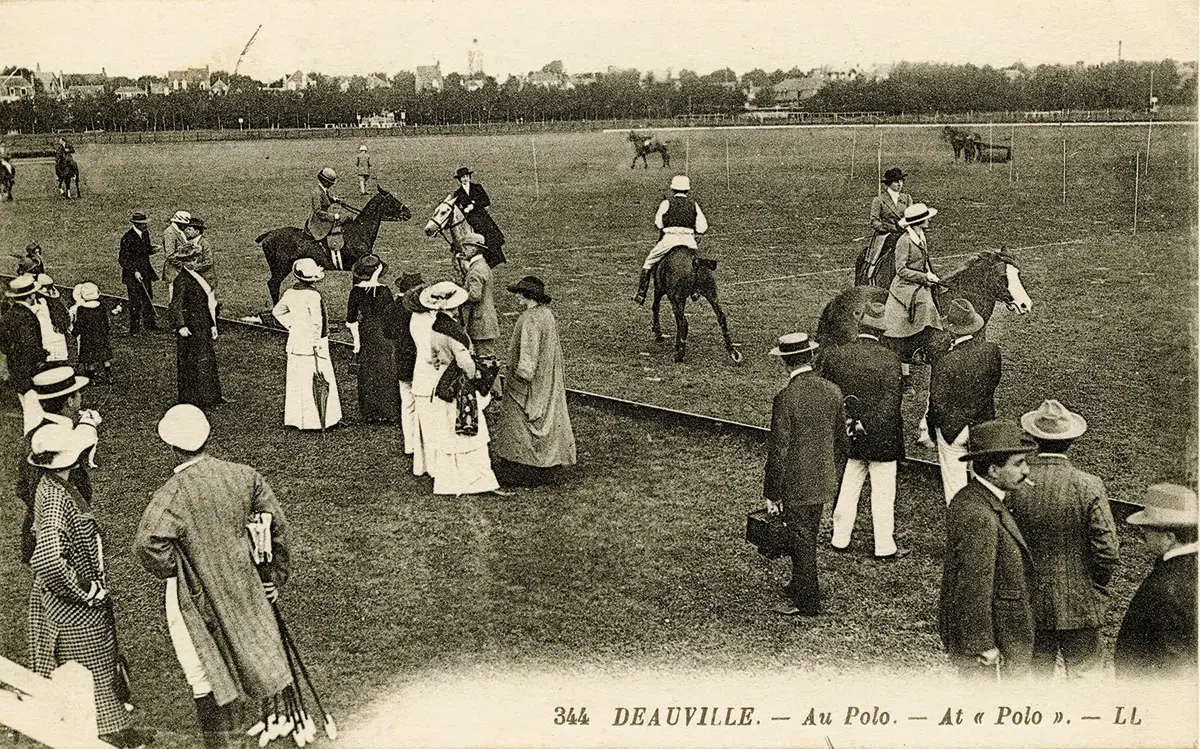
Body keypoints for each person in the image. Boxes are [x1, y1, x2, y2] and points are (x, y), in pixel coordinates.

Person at [135, 404, 294, 747]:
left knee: (203, 666)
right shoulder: (244, 475)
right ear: (206, 437)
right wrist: (273, 576)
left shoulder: (172, 493)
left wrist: (181, 567)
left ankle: (222, 742)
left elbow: (147, 544)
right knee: (253, 649)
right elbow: (275, 526)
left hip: (195, 594)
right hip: (246, 583)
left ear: (172, 446)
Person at [27, 421, 147, 748]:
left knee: (98, 663)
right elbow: (49, 559)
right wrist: (86, 590)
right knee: (89, 665)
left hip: (70, 602)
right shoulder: (56, 498)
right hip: (72, 607)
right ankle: (106, 733)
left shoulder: (52, 485)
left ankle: (111, 726)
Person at [1006, 400, 1120, 679]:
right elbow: (1107, 550)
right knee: (1085, 681)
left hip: (1029, 602)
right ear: (1071, 441)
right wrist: (1092, 583)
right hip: (1080, 603)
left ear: (1033, 439)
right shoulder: (1088, 485)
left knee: (1035, 682)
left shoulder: (1016, 483)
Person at [938, 420, 1036, 680]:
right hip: (993, 644)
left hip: (1001, 634)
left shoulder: (983, 499)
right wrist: (982, 643)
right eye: (1018, 464)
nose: (1026, 471)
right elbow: (973, 583)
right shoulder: (979, 513)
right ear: (993, 470)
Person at [763, 332, 848, 616]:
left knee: (801, 538)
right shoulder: (832, 390)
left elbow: (779, 450)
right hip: (822, 478)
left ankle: (807, 601)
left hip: (796, 483)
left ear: (785, 362)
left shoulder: (785, 398)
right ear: (810, 356)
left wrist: (772, 492)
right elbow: (841, 442)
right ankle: (799, 584)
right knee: (807, 534)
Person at [822, 302, 907, 560]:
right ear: (880, 331)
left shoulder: (837, 355)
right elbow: (892, 403)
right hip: (882, 436)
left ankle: (839, 538)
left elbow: (830, 394)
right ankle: (884, 546)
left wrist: (849, 422)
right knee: (883, 492)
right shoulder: (890, 359)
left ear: (859, 326)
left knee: (849, 484)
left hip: (848, 431)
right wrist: (866, 424)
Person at [410, 281, 504, 496]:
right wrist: (478, 378)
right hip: (460, 387)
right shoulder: (453, 332)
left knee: (449, 432)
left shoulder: (435, 327)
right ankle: (476, 481)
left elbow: (434, 358)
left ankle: (451, 481)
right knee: (469, 433)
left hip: (443, 383)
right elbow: (465, 363)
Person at [492, 276, 576, 487]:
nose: (517, 297)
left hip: (529, 382)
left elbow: (528, 358)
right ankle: (546, 462)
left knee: (520, 421)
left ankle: (523, 467)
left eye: (520, 293)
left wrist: (520, 376)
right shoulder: (547, 314)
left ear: (527, 295)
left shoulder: (530, 319)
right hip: (546, 378)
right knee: (547, 416)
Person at [15, 366, 101, 566]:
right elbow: (82, 439)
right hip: (57, 525)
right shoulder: (50, 435)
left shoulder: (48, 426)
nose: (80, 397)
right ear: (69, 401)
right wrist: (89, 422)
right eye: (77, 393)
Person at [1114, 484, 1197, 679]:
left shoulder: (1166, 586)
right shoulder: (1190, 568)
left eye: (1148, 530)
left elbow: (1173, 661)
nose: (1143, 535)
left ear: (1169, 537)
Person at [927, 299, 1001, 504]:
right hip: (983, 424)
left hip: (953, 429)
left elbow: (937, 402)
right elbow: (993, 382)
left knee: (954, 484)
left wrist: (933, 426)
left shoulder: (946, 361)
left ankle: (959, 515)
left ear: (952, 331)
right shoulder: (992, 352)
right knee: (984, 482)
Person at [272, 258, 342, 430]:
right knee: (320, 377)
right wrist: (316, 342)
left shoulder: (289, 293)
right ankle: (322, 420)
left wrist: (293, 326)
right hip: (314, 343)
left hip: (297, 341)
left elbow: (277, 312)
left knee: (298, 380)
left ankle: (298, 420)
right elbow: (317, 322)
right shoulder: (313, 295)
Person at [880, 202, 942, 385]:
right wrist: (924, 277)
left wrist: (932, 274)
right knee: (926, 305)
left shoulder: (921, 236)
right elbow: (901, 270)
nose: (929, 221)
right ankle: (917, 349)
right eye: (926, 219)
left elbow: (925, 261)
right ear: (918, 222)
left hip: (921, 281)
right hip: (905, 285)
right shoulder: (904, 241)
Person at [635, 175, 709, 305]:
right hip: (688, 240)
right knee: (697, 263)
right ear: (687, 190)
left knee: (649, 262)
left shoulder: (666, 203)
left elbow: (658, 224)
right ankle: (695, 289)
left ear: (673, 189)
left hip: (669, 239)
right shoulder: (694, 204)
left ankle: (642, 293)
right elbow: (702, 227)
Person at [347, 255, 399, 423]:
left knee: (367, 370)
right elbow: (391, 316)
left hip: (366, 332)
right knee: (385, 369)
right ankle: (387, 410)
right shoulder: (384, 291)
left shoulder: (356, 291)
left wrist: (356, 341)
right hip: (383, 332)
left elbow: (351, 319)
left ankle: (370, 412)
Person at [170, 257, 223, 409]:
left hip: (202, 326)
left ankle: (210, 397)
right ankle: (193, 398)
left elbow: (204, 304)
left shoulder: (197, 276)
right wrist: (181, 325)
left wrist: (212, 325)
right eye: (191, 259)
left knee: (206, 361)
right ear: (184, 261)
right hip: (191, 328)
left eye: (195, 259)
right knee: (192, 362)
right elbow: (176, 305)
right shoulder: (181, 280)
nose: (194, 262)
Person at [385, 273, 425, 456]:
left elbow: (388, 333)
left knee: (407, 403)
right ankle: (422, 442)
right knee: (422, 403)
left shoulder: (392, 308)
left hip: (402, 359)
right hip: (419, 361)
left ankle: (410, 444)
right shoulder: (419, 312)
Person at [0, 275, 55, 396]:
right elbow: (29, 343)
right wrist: (41, 355)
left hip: (14, 365)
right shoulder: (27, 315)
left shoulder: (8, 315)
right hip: (30, 367)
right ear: (32, 295)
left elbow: (3, 343)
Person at [860, 167, 912, 286]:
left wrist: (907, 226)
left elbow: (911, 216)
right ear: (889, 184)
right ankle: (872, 275)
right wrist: (889, 228)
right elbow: (874, 221)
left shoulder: (907, 198)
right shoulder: (879, 200)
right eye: (896, 182)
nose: (900, 184)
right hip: (887, 235)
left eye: (901, 181)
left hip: (905, 232)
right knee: (884, 254)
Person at [451, 167, 507, 268]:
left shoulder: (477, 187)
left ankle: (494, 258)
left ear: (469, 177)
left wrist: (474, 205)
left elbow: (486, 201)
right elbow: (457, 209)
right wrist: (464, 210)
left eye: (466, 176)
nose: (465, 179)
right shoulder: (458, 193)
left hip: (481, 218)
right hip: (468, 220)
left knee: (489, 237)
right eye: (463, 177)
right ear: (459, 180)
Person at [457, 233, 500, 359]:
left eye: (466, 247)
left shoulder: (476, 270)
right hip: (484, 321)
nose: (463, 251)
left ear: (474, 249)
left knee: (485, 359)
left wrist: (457, 296)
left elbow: (475, 296)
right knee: (485, 358)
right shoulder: (482, 265)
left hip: (480, 323)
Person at [118, 211, 161, 334]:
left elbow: (144, 250)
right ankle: (134, 328)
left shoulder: (145, 233)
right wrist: (135, 271)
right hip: (132, 276)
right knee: (135, 301)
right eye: (143, 223)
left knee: (148, 298)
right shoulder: (127, 238)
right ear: (136, 224)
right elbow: (123, 259)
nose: (146, 225)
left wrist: (153, 249)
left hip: (145, 272)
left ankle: (150, 324)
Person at [306, 168, 349, 269]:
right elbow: (318, 212)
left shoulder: (322, 190)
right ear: (325, 181)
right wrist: (334, 216)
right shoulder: (316, 193)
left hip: (324, 218)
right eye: (330, 183)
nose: (331, 185)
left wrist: (334, 200)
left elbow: (325, 199)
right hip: (318, 222)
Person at [70, 282, 113, 383]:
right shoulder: (101, 307)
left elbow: (79, 324)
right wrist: (106, 331)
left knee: (90, 358)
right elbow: (106, 322)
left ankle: (92, 378)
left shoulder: (81, 309)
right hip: (101, 335)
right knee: (105, 356)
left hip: (87, 337)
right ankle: (109, 375)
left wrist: (74, 332)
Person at [162, 210, 193, 293]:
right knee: (175, 295)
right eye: (185, 224)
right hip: (174, 271)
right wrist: (184, 265)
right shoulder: (170, 233)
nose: (186, 227)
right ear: (179, 223)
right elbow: (170, 255)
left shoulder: (179, 231)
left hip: (181, 271)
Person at [180, 217, 216, 288]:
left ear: (197, 231)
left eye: (189, 229)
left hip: (205, 280)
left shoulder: (205, 244)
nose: (186, 231)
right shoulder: (189, 242)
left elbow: (209, 261)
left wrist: (194, 267)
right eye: (186, 229)